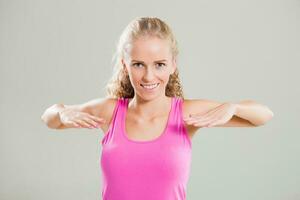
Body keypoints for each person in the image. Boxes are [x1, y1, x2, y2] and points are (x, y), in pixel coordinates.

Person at [41, 16, 274, 200]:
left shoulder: (185, 114)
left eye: (159, 64)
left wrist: (232, 107)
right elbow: (49, 118)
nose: (149, 76)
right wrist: (61, 111)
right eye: (139, 64)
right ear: (125, 65)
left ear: (173, 64)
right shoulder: (110, 113)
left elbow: (264, 115)